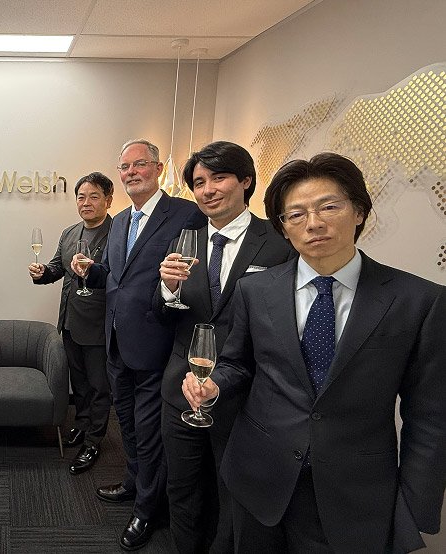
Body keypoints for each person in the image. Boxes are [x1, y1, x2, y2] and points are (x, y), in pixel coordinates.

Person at [183, 153, 446, 553]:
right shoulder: (257, 291)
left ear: (358, 212)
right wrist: (215, 387)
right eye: (296, 214)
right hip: (257, 476)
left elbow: (429, 417)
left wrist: (413, 509)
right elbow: (238, 363)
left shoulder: (418, 301)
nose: (314, 223)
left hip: (353, 492)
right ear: (284, 228)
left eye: (329, 207)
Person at [152, 142, 294, 553]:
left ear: (245, 181)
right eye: (198, 182)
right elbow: (162, 313)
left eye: (219, 178)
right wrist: (166, 287)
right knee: (183, 489)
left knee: (234, 496)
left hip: (243, 396)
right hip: (180, 390)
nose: (208, 190)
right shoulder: (185, 238)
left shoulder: (276, 242)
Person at [73, 139, 205, 551]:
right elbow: (117, 276)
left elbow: (192, 275)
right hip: (116, 342)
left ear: (159, 168)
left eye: (139, 165)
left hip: (155, 343)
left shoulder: (185, 214)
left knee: (149, 433)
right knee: (127, 425)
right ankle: (135, 483)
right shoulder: (121, 221)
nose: (131, 172)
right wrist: (91, 272)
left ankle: (149, 510)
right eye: (125, 166)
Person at [29, 172, 113, 475]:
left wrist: (94, 270)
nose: (86, 202)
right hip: (69, 321)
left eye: (93, 197)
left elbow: (118, 277)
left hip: (99, 324)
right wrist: (41, 272)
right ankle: (81, 424)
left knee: (99, 385)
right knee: (78, 383)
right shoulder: (69, 232)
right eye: (81, 196)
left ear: (108, 200)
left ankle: (94, 440)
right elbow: (57, 268)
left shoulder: (118, 232)